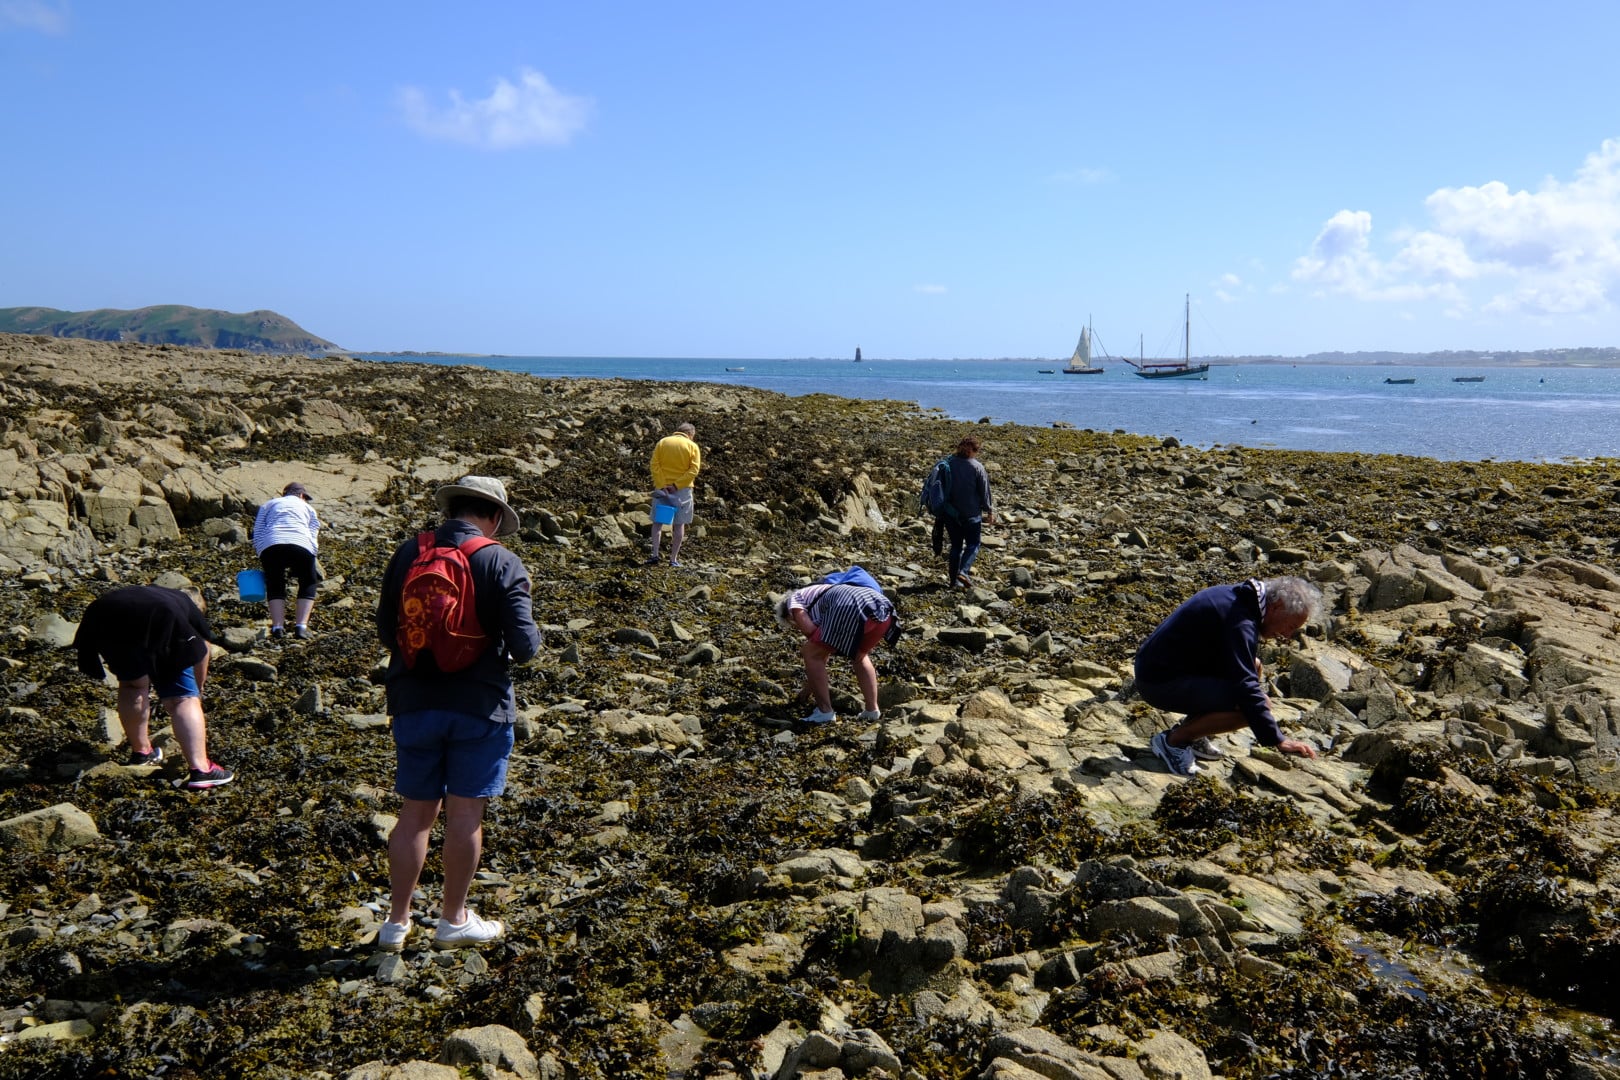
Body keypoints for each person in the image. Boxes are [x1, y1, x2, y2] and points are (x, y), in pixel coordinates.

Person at [374, 475, 541, 951]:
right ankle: (453, 919)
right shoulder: (500, 559)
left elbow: (388, 630)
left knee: (414, 815)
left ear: (453, 509)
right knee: (466, 814)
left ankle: (396, 922)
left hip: (413, 701)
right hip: (480, 704)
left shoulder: (410, 553)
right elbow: (526, 648)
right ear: (491, 517)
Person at [1135, 576, 1323, 777]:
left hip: (1165, 667)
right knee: (1250, 709)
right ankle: (1174, 741)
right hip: (1158, 681)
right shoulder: (1240, 620)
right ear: (1276, 606)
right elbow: (1246, 686)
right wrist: (1278, 739)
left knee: (1254, 665)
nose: (1287, 635)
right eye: (1291, 626)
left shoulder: (1239, 597)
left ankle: (1195, 731)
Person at [73, 585, 233, 790]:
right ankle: (202, 770)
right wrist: (197, 690)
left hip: (102, 614)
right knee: (182, 699)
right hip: (161, 616)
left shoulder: (156, 592)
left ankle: (142, 752)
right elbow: (202, 650)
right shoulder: (185, 608)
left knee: (132, 686)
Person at [774, 579, 894, 725]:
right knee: (859, 655)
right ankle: (871, 710)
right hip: (882, 608)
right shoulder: (819, 593)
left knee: (810, 653)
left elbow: (810, 633)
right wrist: (809, 688)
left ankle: (824, 711)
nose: (797, 628)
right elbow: (823, 651)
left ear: (789, 617)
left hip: (849, 607)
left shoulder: (793, 601)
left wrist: (809, 685)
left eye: (793, 626)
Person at [253, 480, 321, 640]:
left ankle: (277, 628)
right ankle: (301, 627)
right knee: (308, 581)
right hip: (301, 543)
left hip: (271, 544)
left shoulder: (269, 504)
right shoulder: (308, 508)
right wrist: (312, 552)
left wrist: (261, 551)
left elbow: (258, 529)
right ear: (302, 495)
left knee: (275, 583)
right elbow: (313, 531)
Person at [941, 436, 995, 587]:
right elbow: (985, 492)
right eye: (977, 450)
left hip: (950, 513)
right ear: (973, 450)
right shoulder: (977, 467)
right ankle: (963, 572)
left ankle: (953, 582)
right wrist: (989, 511)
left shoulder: (948, 463)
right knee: (973, 544)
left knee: (956, 546)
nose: (977, 453)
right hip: (971, 514)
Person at [648, 422, 701, 567]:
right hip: (682, 491)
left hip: (662, 489)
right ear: (690, 434)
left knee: (658, 523)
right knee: (678, 525)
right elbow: (693, 470)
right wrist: (676, 485)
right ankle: (673, 559)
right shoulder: (692, 446)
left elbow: (654, 464)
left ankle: (655, 555)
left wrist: (662, 484)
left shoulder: (663, 442)